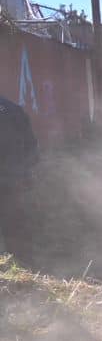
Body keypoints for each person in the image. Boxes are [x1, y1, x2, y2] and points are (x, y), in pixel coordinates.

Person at [0, 93, 39, 260]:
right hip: (15, 180)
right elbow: (32, 147)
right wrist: (24, 172)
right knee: (16, 226)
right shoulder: (15, 109)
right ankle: (21, 263)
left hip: (11, 178)